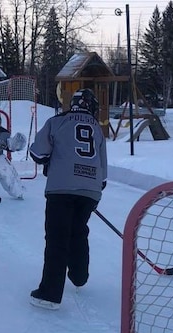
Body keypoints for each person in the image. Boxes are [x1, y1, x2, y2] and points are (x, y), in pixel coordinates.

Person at [28, 88, 108, 310]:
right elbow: (104, 173)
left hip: (61, 189)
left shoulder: (57, 122)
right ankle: (79, 275)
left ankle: (49, 294)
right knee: (78, 231)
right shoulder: (97, 129)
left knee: (57, 238)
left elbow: (38, 154)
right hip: (90, 191)